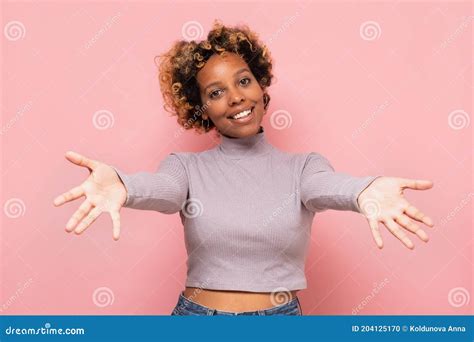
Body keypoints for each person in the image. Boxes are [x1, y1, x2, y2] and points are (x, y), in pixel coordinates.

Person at [53, 20, 434, 316]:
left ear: (261, 87)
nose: (236, 97)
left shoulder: (304, 168)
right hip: (197, 318)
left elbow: (327, 186)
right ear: (200, 108)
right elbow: (163, 191)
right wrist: (122, 184)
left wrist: (364, 190)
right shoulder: (185, 168)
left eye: (244, 81)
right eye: (216, 93)